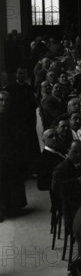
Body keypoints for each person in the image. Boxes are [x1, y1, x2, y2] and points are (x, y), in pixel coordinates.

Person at [6, 67, 40, 176]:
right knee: (21, 147)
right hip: (17, 123)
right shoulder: (10, 89)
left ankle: (32, 169)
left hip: (29, 122)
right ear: (16, 74)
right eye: (20, 73)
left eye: (24, 73)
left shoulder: (29, 88)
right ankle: (24, 171)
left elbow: (33, 105)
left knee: (31, 146)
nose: (22, 75)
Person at [0, 90, 27, 221]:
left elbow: (19, 135)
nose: (4, 103)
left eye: (6, 101)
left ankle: (13, 206)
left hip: (12, 154)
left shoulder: (13, 116)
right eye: (1, 100)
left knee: (13, 181)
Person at [52, 140, 81, 229]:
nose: (78, 155)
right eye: (75, 152)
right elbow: (55, 187)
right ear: (68, 151)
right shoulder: (61, 168)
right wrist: (75, 181)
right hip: (71, 208)